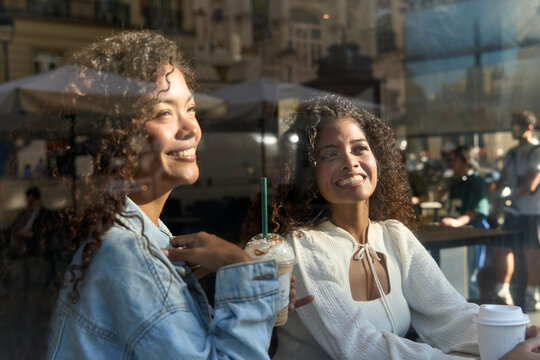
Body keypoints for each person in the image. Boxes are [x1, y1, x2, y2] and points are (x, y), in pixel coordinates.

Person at [1, 30, 309, 359]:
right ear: (115, 136)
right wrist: (240, 267)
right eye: (164, 113)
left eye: (190, 109)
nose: (191, 127)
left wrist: (232, 292)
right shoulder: (127, 252)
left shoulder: (131, 238)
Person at [241, 95, 539, 359]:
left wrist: (518, 338)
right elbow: (361, 348)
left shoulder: (394, 236)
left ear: (377, 160)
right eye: (329, 154)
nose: (350, 162)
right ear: (308, 174)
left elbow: (452, 317)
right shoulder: (303, 246)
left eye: (359, 149)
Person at [493, 110, 540, 311]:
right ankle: (503, 289)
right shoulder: (511, 153)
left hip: (532, 212)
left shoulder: (536, 151)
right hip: (513, 213)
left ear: (528, 127)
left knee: (532, 253)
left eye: (517, 124)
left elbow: (530, 184)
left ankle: (533, 294)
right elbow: (502, 178)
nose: (514, 128)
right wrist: (495, 198)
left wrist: (505, 198)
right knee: (505, 249)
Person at [440, 145, 490, 300]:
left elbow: (476, 211)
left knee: (469, 277)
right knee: (454, 277)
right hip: (455, 235)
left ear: (466, 162)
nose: (451, 164)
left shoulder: (476, 182)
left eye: (455, 160)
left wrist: (457, 222)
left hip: (471, 234)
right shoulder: (456, 182)